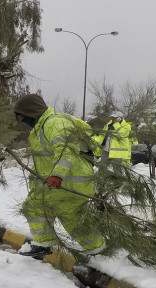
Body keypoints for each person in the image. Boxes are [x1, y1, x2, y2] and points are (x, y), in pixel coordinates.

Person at [14, 94, 103, 260]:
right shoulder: (42, 125)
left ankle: (97, 250)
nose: (21, 121)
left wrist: (57, 175)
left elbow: (65, 151)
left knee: (70, 216)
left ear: (31, 113)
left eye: (22, 116)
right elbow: (46, 158)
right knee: (35, 206)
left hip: (71, 182)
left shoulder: (54, 123)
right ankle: (44, 244)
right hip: (57, 183)